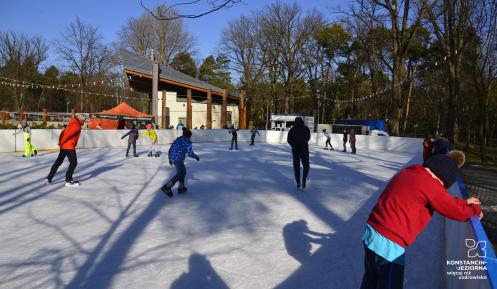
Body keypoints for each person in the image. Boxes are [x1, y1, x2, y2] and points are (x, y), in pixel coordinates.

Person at [360, 151, 482, 289]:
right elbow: (456, 211)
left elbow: (444, 200)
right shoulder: (431, 185)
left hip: (371, 232)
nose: (442, 188)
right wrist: (475, 210)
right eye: (443, 185)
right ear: (443, 177)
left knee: (371, 278)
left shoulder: (410, 172)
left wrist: (464, 202)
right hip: (389, 244)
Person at [46, 116, 85, 186]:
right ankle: (68, 180)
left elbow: (63, 133)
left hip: (64, 146)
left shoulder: (71, 123)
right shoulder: (77, 126)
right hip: (69, 147)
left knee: (58, 162)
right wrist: (61, 142)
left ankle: (49, 177)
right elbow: (67, 135)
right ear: (81, 120)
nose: (84, 122)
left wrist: (61, 143)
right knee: (74, 162)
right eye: (84, 120)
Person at [161, 128, 199, 198]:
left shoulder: (178, 139)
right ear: (188, 136)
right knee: (180, 172)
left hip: (173, 157)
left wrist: (170, 158)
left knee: (183, 171)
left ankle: (181, 187)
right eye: (190, 137)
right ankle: (167, 186)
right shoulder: (187, 141)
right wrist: (196, 157)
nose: (190, 138)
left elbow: (170, 149)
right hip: (178, 158)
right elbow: (190, 153)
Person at [287, 117, 310, 190]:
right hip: (304, 149)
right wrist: (303, 142)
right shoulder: (306, 128)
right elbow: (308, 137)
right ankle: (304, 177)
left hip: (295, 150)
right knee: (306, 165)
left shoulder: (292, 129)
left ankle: (298, 183)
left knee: (296, 167)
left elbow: (289, 139)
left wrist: (293, 145)